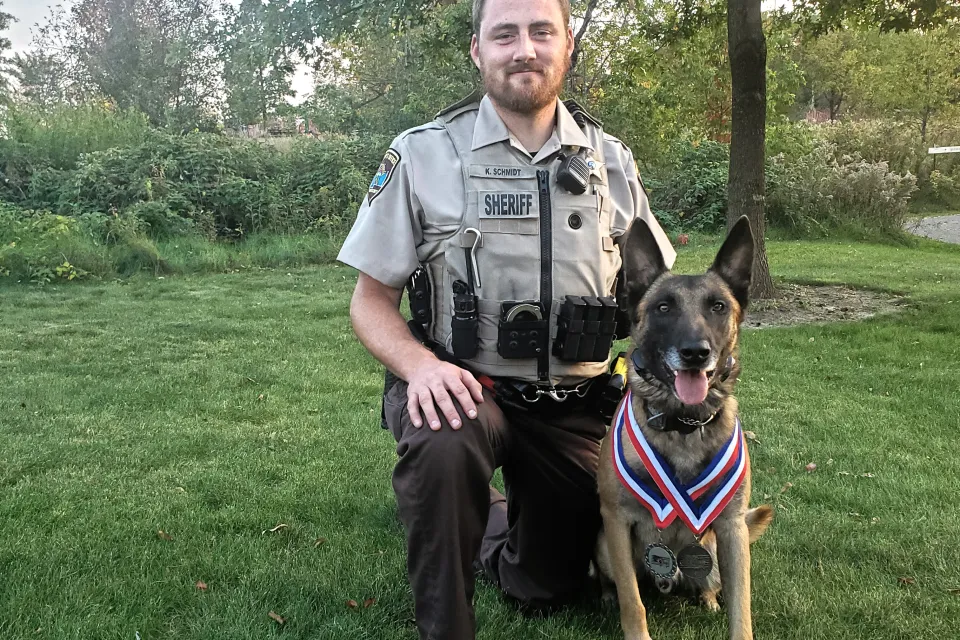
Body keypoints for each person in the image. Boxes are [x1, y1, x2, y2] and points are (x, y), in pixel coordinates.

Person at [337, 0, 676, 637]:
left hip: (574, 402)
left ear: (567, 44)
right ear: (478, 50)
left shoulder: (612, 163)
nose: (524, 49)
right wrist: (420, 368)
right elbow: (369, 299)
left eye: (541, 31)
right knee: (442, 441)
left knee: (545, 584)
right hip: (467, 385)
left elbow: (652, 293)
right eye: (505, 34)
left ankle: (489, 520)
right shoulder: (424, 154)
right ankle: (445, 620)